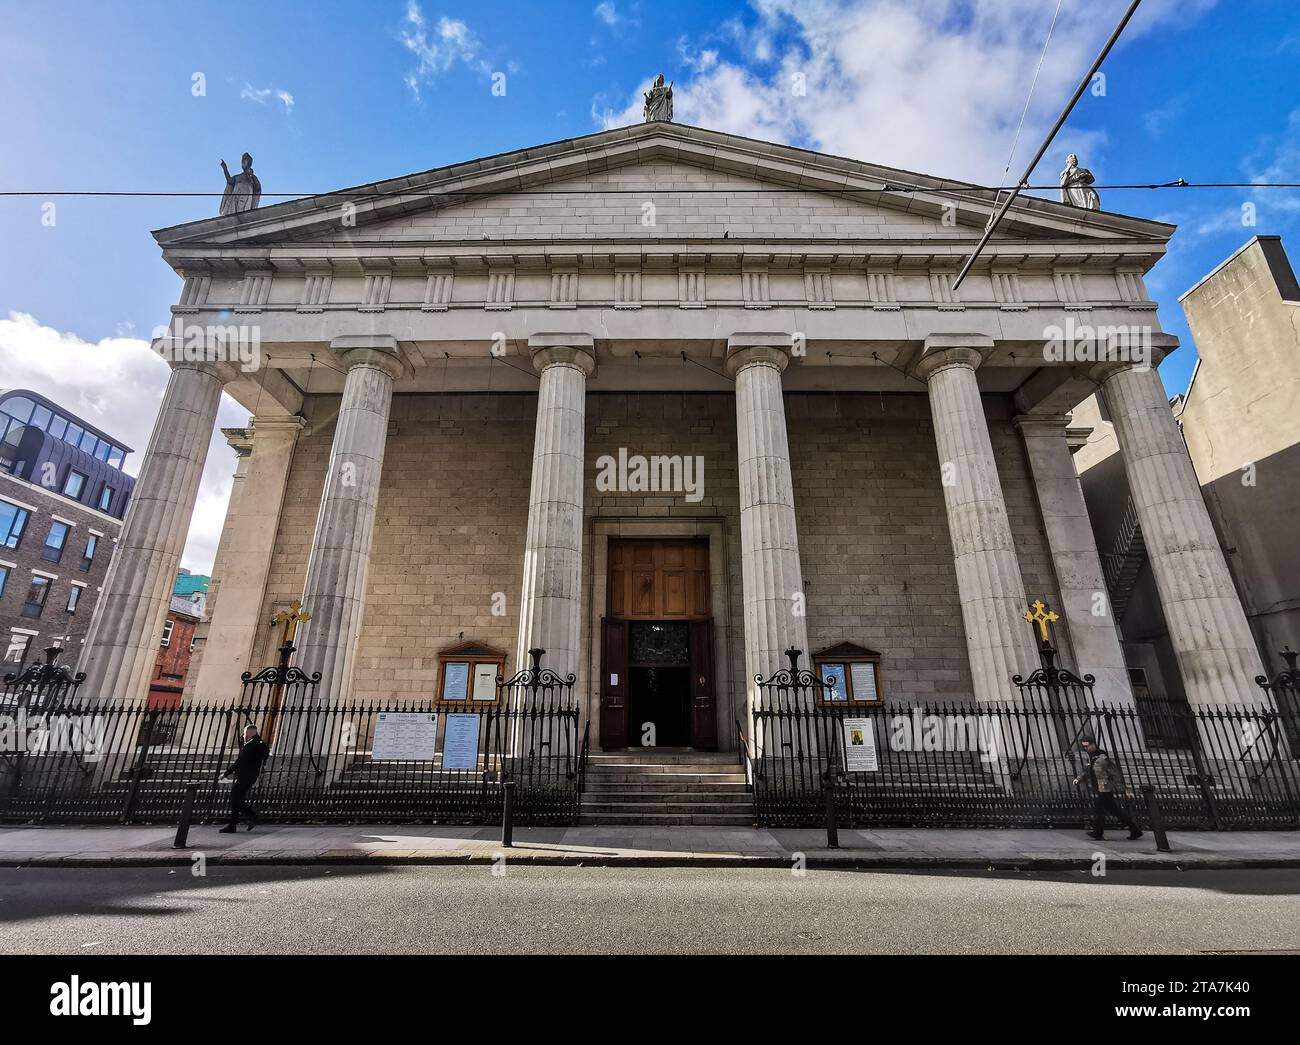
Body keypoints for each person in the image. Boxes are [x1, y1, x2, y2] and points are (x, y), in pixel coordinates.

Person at [1073, 737, 1142, 841]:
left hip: (1105, 789)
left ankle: (1098, 832)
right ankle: (1135, 830)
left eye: (1087, 746)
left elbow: (1115, 774)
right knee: (1115, 811)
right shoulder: (1092, 758)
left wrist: (1126, 789)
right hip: (1099, 789)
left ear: (1093, 744)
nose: (1085, 748)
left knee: (1099, 810)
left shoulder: (1102, 758)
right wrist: (1078, 779)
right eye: (1083, 747)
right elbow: (1087, 771)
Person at [219, 725, 269, 833]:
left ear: (250, 733)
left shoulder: (253, 744)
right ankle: (242, 820)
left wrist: (227, 773)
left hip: (247, 775)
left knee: (235, 797)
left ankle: (249, 817)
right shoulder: (257, 743)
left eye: (244, 732)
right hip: (249, 775)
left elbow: (239, 761)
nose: (243, 735)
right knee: (236, 798)